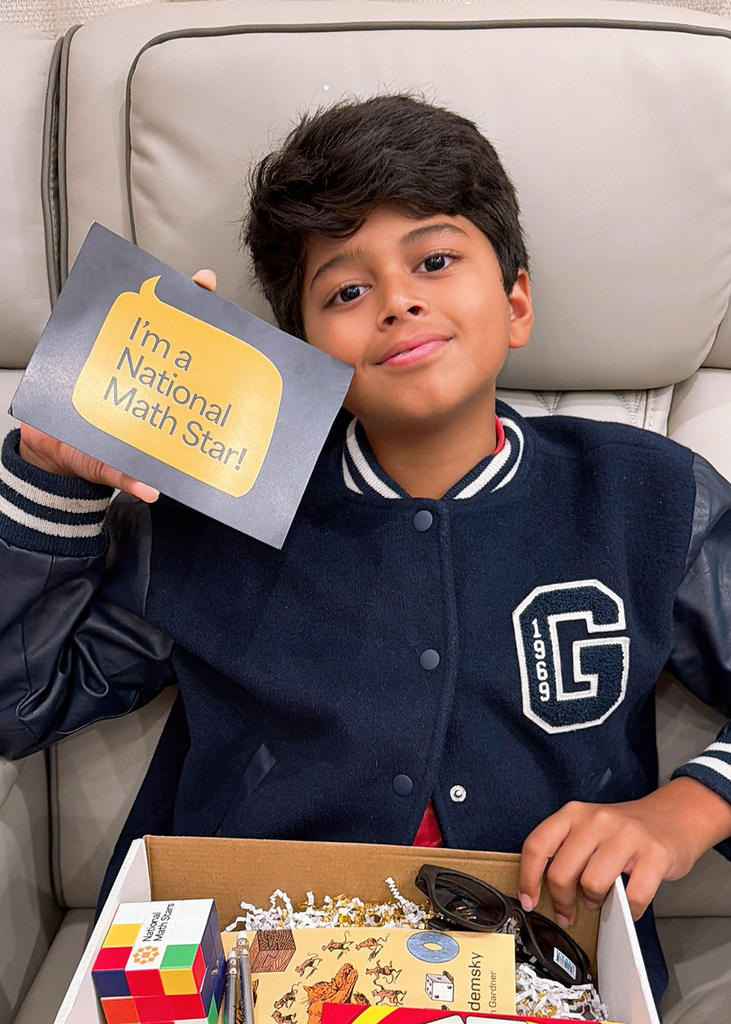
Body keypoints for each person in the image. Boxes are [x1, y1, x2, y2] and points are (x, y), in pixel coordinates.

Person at [1, 94, 731, 1004]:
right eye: (346, 291)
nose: (397, 301)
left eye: (434, 260)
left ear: (515, 302)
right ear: (306, 354)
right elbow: (21, 700)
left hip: (545, 969)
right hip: (239, 967)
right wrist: (55, 479)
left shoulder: (646, 495)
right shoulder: (216, 509)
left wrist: (687, 808)